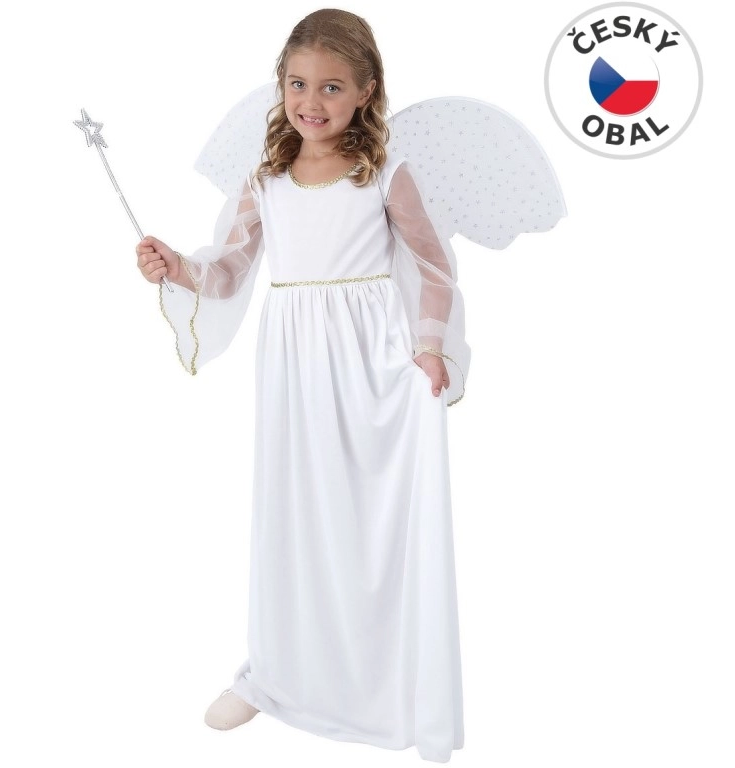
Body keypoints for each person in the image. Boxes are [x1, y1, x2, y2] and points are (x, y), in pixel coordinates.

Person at [136, 8, 469, 763]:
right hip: (294, 362)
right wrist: (178, 268)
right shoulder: (265, 180)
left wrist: (428, 347)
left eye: (331, 86)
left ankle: (381, 680)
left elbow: (434, 267)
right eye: (296, 84)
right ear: (280, 85)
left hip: (373, 364)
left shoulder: (384, 173)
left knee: (370, 520)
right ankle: (278, 673)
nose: (310, 101)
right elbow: (228, 270)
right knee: (294, 511)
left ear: (366, 91)